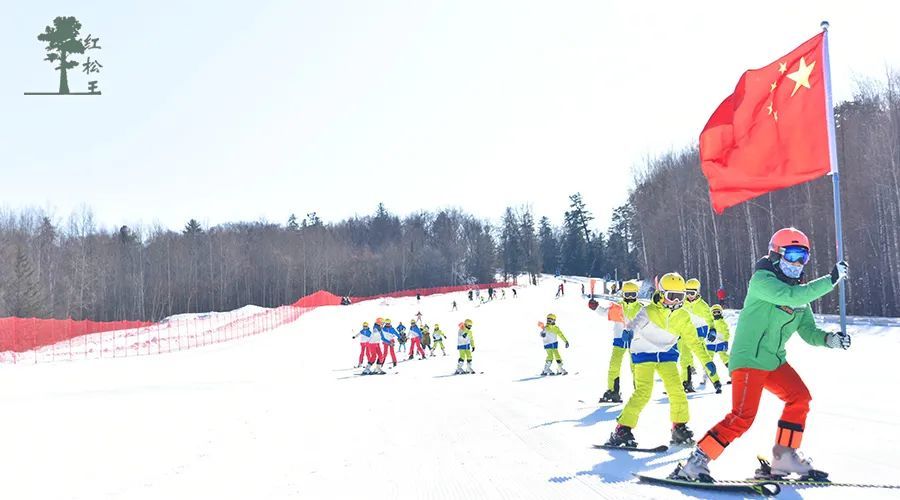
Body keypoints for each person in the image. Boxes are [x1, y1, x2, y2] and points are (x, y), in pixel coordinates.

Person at [674, 227, 850, 482]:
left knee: (799, 398)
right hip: (748, 360)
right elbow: (790, 295)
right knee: (742, 417)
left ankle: (784, 457)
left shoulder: (800, 295)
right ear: (777, 254)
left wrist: (830, 339)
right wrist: (830, 279)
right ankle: (695, 463)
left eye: (804, 257)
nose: (798, 263)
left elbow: (809, 331)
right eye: (793, 254)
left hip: (773, 362)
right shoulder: (762, 282)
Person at [604, 273, 703, 448]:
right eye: (671, 296)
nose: (675, 301)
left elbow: (692, 338)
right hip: (643, 354)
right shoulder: (648, 310)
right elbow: (635, 323)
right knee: (643, 391)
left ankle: (679, 427)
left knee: (677, 390)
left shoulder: (680, 314)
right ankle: (622, 429)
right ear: (662, 293)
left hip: (666, 355)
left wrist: (708, 364)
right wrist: (628, 331)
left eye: (680, 297)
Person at [599, 281, 642, 402]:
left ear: (636, 295)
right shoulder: (618, 307)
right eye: (627, 295)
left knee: (636, 366)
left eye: (632, 295)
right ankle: (613, 390)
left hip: (634, 340)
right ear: (623, 295)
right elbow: (604, 313)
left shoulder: (640, 309)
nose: (630, 298)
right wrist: (595, 307)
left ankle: (639, 390)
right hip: (619, 339)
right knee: (614, 365)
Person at [681, 278, 724, 393]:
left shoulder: (702, 306)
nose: (689, 296)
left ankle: (716, 381)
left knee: (704, 358)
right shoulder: (681, 303)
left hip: (697, 336)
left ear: (697, 292)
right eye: (687, 293)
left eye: (692, 293)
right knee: (685, 359)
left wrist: (712, 330)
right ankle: (686, 383)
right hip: (684, 334)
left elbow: (710, 320)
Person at [706, 304, 731, 382]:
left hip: (720, 343)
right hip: (711, 344)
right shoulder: (710, 322)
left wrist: (726, 341)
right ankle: (706, 377)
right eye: (714, 312)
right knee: (708, 359)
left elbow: (726, 332)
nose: (716, 314)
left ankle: (733, 373)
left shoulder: (723, 322)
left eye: (718, 312)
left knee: (725, 358)